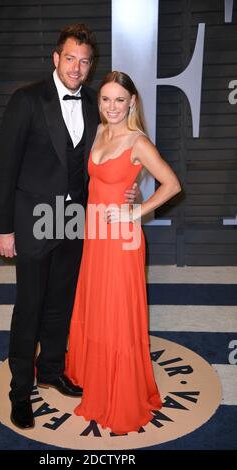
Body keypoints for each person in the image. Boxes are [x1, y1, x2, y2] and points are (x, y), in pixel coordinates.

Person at [0, 26, 138, 430]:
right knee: (30, 308)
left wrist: (133, 192)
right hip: (34, 222)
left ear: (91, 66)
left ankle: (51, 370)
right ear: (56, 59)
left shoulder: (96, 102)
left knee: (61, 304)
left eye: (84, 60)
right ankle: (20, 391)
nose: (77, 67)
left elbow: (118, 154)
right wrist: (4, 228)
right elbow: (4, 168)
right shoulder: (26, 100)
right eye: (70, 58)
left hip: (75, 222)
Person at [65, 71, 181, 434]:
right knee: (96, 304)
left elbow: (172, 184)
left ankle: (120, 392)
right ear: (98, 101)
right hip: (96, 235)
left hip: (122, 239)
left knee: (117, 310)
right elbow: (104, 181)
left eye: (119, 100)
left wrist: (135, 210)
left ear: (131, 102)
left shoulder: (138, 141)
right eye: (105, 99)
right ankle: (93, 372)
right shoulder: (100, 131)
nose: (112, 107)